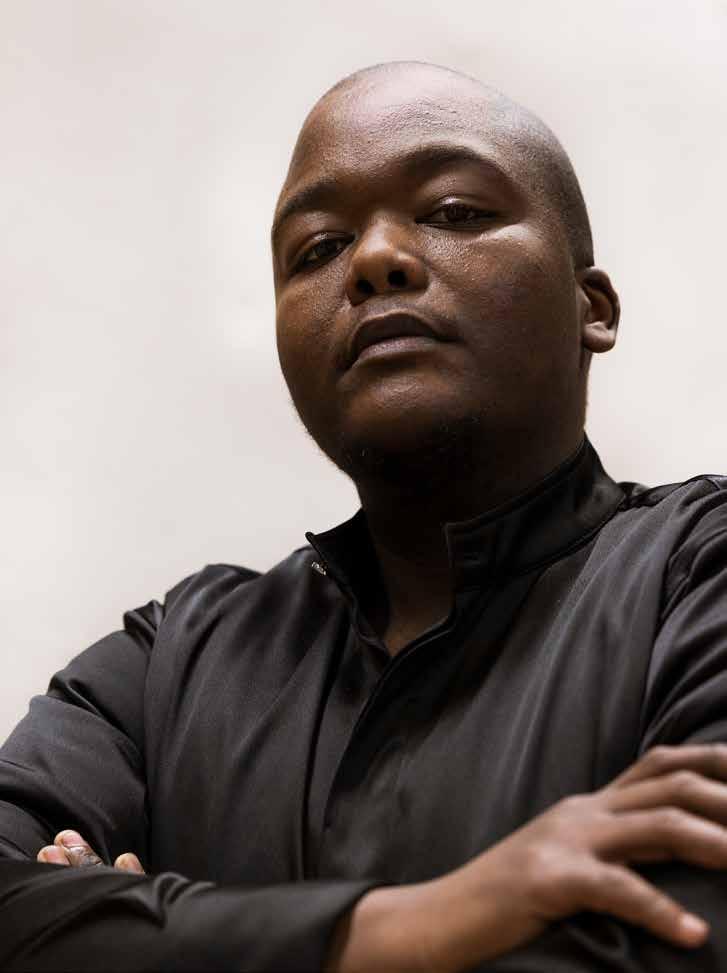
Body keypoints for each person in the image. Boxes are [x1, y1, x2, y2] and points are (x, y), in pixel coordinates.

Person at [2, 60, 727, 972]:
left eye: (454, 211)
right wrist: (410, 926)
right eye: (316, 249)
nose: (376, 258)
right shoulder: (167, 663)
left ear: (592, 308)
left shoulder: (700, 578)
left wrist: (132, 935)